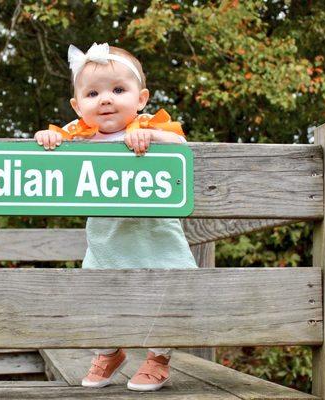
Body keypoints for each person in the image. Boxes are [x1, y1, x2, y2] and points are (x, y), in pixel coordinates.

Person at [34, 42, 197, 392]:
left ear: (141, 98)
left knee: (165, 294)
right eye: (93, 93)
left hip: (155, 239)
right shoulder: (79, 136)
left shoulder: (150, 126)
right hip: (107, 240)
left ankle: (157, 358)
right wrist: (49, 138)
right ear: (78, 107)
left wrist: (150, 136)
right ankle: (109, 351)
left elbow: (182, 147)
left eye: (118, 90)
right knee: (96, 294)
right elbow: (53, 145)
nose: (105, 99)